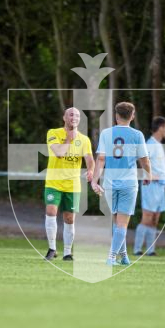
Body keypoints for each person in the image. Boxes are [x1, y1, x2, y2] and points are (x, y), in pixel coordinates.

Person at [91, 101, 151, 266]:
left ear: (116, 116)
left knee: (117, 221)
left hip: (109, 182)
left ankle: (123, 256)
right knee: (122, 223)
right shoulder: (137, 135)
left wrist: (95, 180)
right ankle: (111, 257)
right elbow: (144, 160)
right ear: (132, 116)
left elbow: (101, 158)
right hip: (128, 183)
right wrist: (149, 174)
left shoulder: (106, 133)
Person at [43, 107, 94, 261]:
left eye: (77, 115)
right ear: (64, 117)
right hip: (54, 182)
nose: (74, 117)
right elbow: (59, 153)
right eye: (71, 114)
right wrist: (68, 139)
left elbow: (90, 160)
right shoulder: (53, 133)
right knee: (51, 211)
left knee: (69, 218)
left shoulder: (84, 140)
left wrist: (91, 170)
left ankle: (67, 252)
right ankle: (52, 248)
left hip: (72, 185)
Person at [134, 116, 165, 257]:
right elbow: (141, 160)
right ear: (160, 128)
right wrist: (150, 175)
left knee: (155, 218)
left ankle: (151, 250)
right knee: (147, 217)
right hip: (151, 186)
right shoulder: (150, 144)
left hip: (160, 188)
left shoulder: (159, 145)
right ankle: (137, 249)